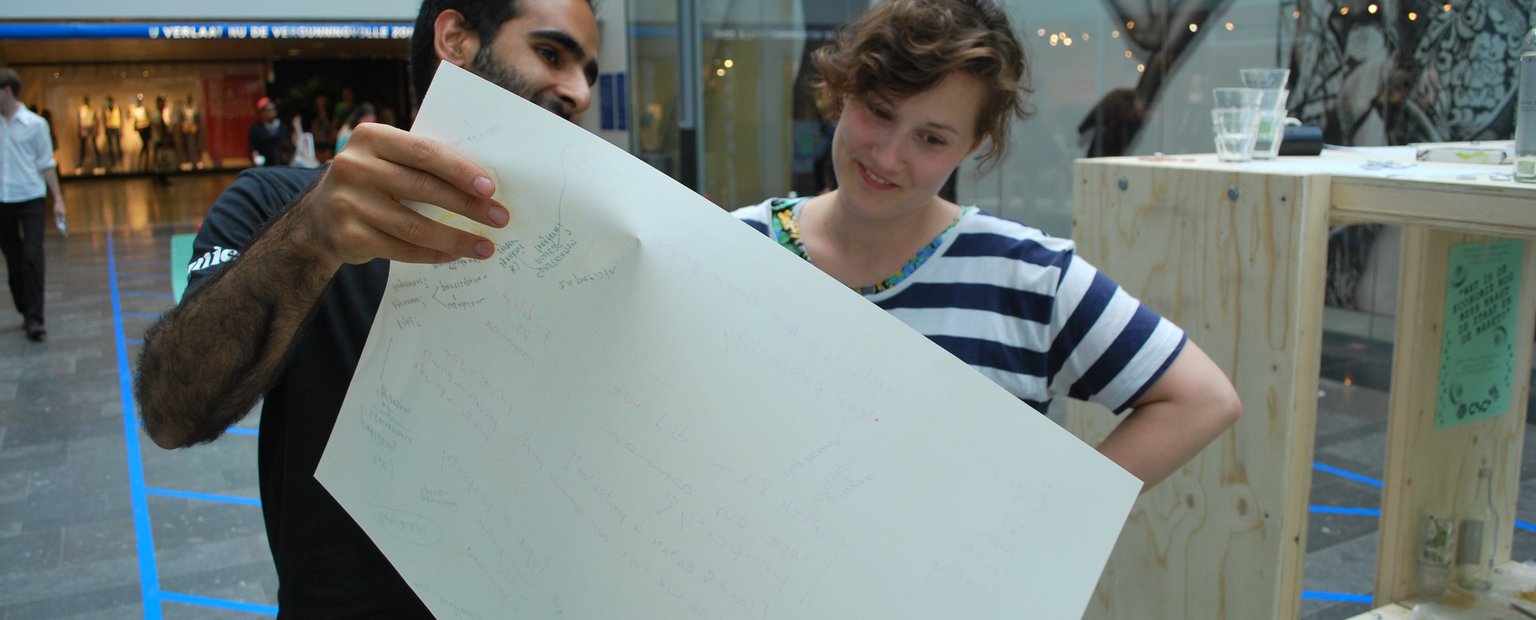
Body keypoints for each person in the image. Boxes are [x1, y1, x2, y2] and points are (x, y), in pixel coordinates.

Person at [133, 0, 598, 615]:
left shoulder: (585, 244)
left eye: (589, 71)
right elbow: (172, 411)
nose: (579, 92)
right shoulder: (281, 203)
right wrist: (307, 240)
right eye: (551, 53)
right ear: (455, 41)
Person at [731, 0, 1241, 492]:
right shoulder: (735, 245)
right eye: (881, 112)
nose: (888, 156)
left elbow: (1203, 399)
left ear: (971, 146)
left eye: (931, 138)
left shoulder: (1028, 277)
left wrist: (1049, 515)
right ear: (845, 94)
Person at [0, 68, 66, 341]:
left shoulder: (36, 124)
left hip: (32, 198)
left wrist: (58, 200)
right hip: (3, 200)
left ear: (6, 91)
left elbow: (47, 164)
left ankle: (36, 319)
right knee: (14, 262)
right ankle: (25, 309)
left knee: (32, 257)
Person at [247, 96, 291, 167]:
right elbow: (253, 148)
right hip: (264, 166)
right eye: (268, 110)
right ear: (261, 113)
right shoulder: (256, 129)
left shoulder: (283, 127)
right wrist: (256, 159)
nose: (271, 112)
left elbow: (288, 145)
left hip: (282, 165)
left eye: (273, 109)